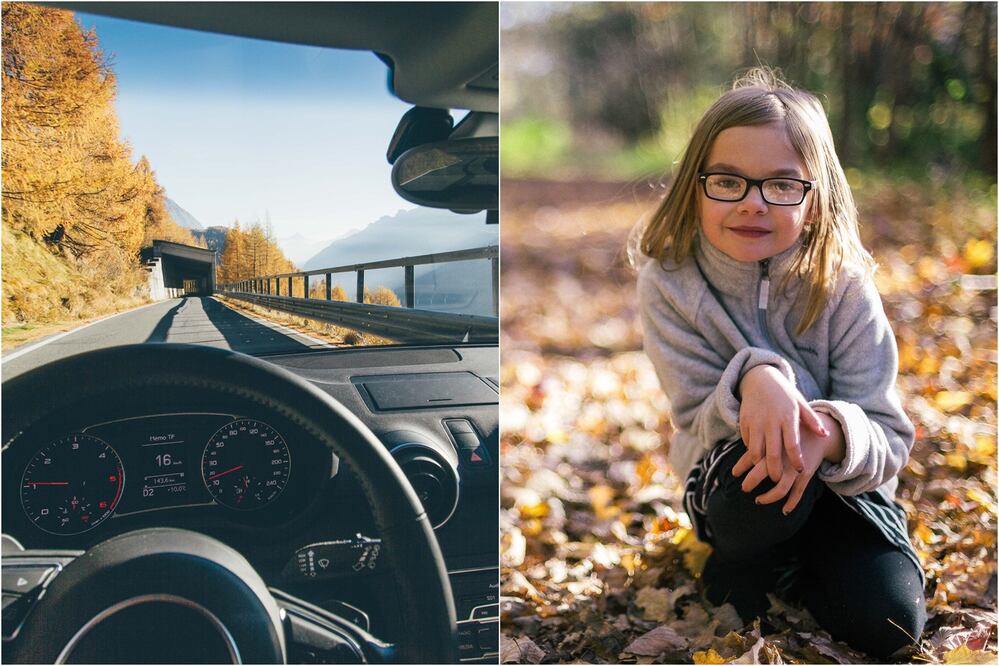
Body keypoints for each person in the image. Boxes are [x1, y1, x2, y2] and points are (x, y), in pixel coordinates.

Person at [635, 68, 926, 659]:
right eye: (728, 182)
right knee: (758, 487)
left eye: (781, 186)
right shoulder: (669, 281)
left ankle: (805, 568)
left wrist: (827, 439)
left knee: (891, 624)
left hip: (845, 490)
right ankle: (752, 559)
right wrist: (758, 376)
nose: (752, 204)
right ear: (695, 186)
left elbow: (890, 432)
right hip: (736, 483)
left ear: (815, 202)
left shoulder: (842, 285)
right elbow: (695, 410)